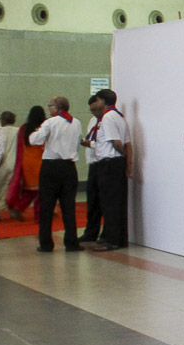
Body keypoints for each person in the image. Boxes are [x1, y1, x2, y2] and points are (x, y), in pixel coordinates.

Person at [29, 96, 83, 252]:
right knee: (69, 206)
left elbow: (34, 140)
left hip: (51, 167)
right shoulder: (77, 122)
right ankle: (72, 242)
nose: (49, 108)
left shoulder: (50, 122)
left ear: (56, 108)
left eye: (50, 105)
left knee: (46, 206)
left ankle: (46, 243)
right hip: (69, 167)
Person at [84, 89, 130, 251]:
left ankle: (112, 239)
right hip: (115, 163)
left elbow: (116, 143)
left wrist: (122, 156)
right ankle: (116, 237)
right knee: (115, 203)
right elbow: (127, 142)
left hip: (110, 163)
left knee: (109, 203)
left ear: (103, 101)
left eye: (97, 100)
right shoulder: (119, 116)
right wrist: (126, 161)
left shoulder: (108, 117)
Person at [7, 105, 46, 221]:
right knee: (40, 191)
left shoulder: (23, 128)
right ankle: (39, 216)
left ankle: (19, 207)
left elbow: (20, 146)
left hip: (26, 163)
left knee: (30, 190)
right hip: (40, 162)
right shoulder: (43, 127)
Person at [79, 95, 103, 243]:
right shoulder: (93, 121)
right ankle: (91, 232)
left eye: (95, 109)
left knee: (104, 202)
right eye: (91, 110)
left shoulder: (107, 120)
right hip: (93, 163)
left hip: (103, 162)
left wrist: (90, 144)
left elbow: (103, 143)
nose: (93, 112)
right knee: (92, 200)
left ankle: (106, 232)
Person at [0, 110, 17, 215]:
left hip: (0, 164)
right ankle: (11, 209)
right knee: (10, 189)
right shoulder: (19, 131)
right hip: (14, 163)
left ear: (2, 120)